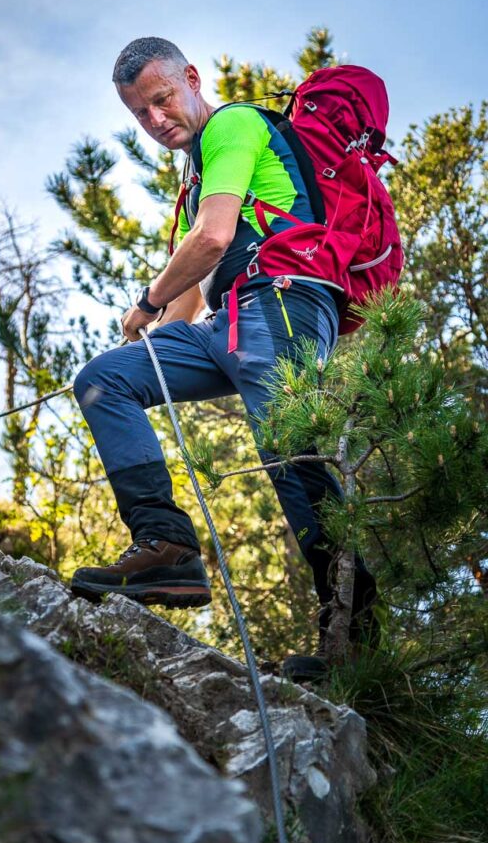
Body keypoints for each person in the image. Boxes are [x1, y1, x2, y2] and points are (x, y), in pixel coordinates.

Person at [70, 37, 377, 674]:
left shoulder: (234, 126)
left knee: (288, 450)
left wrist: (147, 302)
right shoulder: (201, 176)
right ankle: (167, 547)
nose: (156, 120)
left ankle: (356, 638)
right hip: (230, 318)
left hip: (284, 301)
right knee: (105, 381)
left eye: (162, 99)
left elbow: (211, 241)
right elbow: (194, 284)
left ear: (191, 78)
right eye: (140, 114)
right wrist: (147, 343)